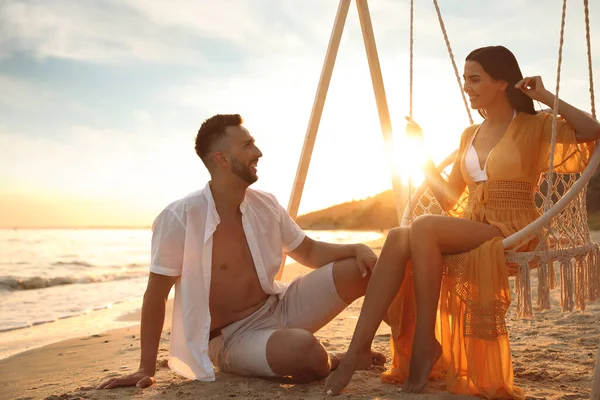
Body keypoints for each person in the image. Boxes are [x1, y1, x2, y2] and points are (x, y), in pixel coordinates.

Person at [324, 45, 600, 398]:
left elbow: (592, 130)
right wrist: (420, 152)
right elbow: (451, 198)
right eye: (464, 79)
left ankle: (424, 342)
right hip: (472, 225)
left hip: (512, 228)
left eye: (475, 79)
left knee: (422, 226)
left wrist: (543, 95)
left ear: (503, 82)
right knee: (397, 236)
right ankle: (355, 352)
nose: (467, 86)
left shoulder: (537, 125)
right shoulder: (469, 134)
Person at [97, 114, 386, 390]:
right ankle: (337, 360)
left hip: (279, 304)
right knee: (303, 350)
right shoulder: (179, 217)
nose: (258, 152)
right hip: (234, 337)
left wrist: (356, 248)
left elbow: (308, 251)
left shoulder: (266, 204)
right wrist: (145, 368)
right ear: (221, 159)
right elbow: (156, 293)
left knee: (364, 268)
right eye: (247, 145)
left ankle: (401, 346)